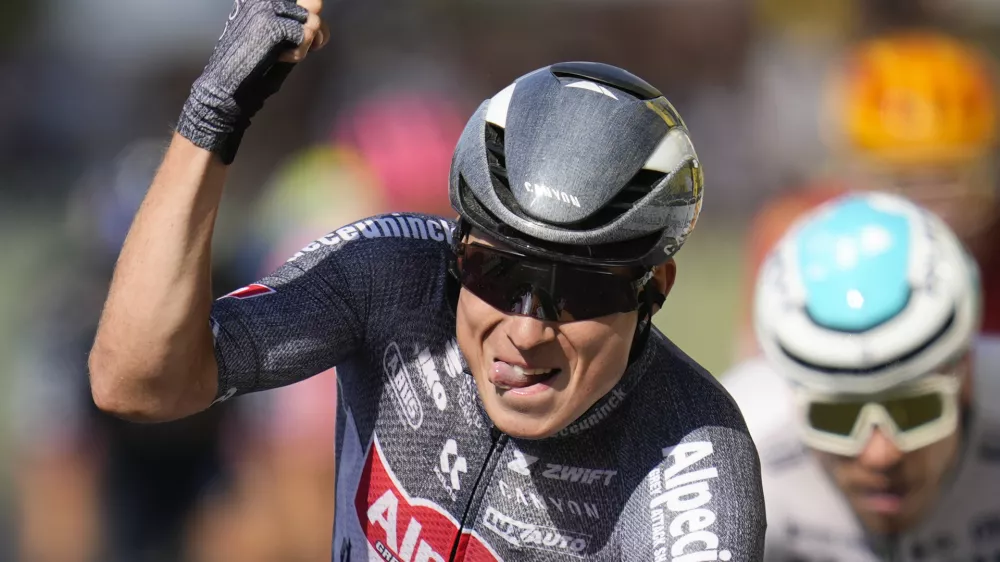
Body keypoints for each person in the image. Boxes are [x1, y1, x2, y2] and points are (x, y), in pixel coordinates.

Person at [86, 1, 767, 559]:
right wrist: (213, 113)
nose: (527, 330)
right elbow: (139, 381)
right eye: (496, 272)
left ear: (657, 288)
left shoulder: (691, 454)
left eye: (584, 291)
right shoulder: (391, 279)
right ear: (457, 250)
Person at [723, 191, 1000, 560]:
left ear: (965, 377)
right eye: (837, 417)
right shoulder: (737, 448)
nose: (880, 455)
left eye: (915, 410)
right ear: (790, 395)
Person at [11, 138, 249, 562]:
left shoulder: (239, 306)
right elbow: (55, 497)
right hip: (116, 488)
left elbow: (273, 488)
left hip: (204, 475)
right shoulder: (68, 324)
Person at [736, 30, 1000, 359]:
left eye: (951, 177)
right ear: (852, 169)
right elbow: (761, 372)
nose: (931, 204)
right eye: (904, 180)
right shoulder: (796, 233)